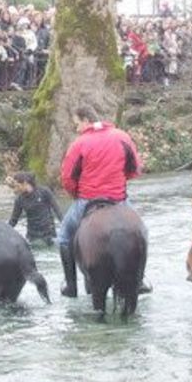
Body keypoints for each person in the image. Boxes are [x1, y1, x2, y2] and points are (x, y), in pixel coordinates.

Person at [57, 106, 149, 297]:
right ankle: (140, 280)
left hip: (87, 199)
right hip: (119, 200)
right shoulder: (122, 136)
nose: (76, 129)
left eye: (76, 124)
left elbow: (67, 177)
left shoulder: (79, 143)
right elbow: (135, 168)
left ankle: (70, 285)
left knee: (64, 237)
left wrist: (76, 194)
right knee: (142, 232)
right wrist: (119, 182)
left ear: (85, 120)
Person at [6, 172, 63, 246]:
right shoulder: (19, 200)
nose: (16, 189)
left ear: (25, 183)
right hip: (32, 236)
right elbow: (13, 220)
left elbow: (57, 210)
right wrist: (3, 232)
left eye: (18, 186)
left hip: (49, 234)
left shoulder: (44, 192)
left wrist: (65, 226)